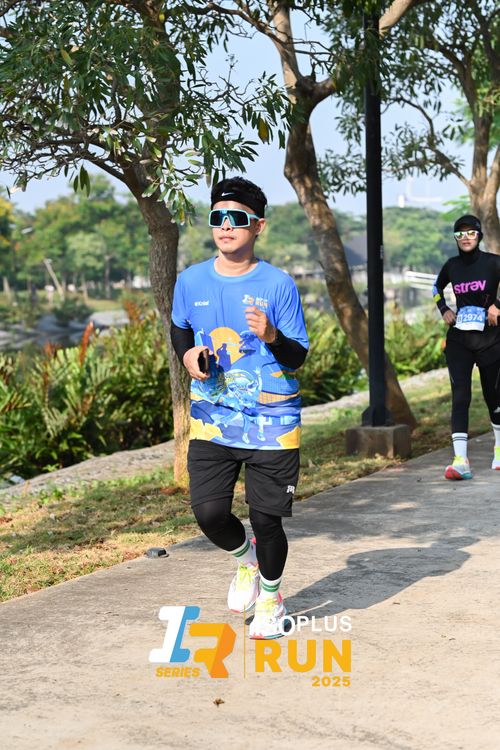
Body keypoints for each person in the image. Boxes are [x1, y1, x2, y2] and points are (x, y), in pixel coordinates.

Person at [170, 176, 309, 638]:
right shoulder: (190, 280)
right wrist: (187, 355)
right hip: (212, 418)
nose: (225, 226)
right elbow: (180, 328)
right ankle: (246, 560)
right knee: (209, 514)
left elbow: (297, 357)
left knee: (267, 519)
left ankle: (271, 597)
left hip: (273, 421)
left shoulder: (278, 284)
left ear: (258, 226)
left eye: (237, 218)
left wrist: (271, 335)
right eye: (218, 217)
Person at [433, 214, 500, 479]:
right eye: (460, 234)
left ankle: (499, 449)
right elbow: (436, 287)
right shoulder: (452, 266)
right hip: (459, 339)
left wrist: (497, 305)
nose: (465, 238)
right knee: (460, 396)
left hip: (490, 339)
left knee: (493, 395)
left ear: (479, 235)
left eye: (470, 233)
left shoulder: (493, 262)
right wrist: (443, 308)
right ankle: (460, 460)